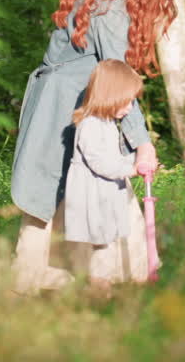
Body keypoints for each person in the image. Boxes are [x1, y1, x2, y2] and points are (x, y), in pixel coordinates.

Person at [10, 0, 185, 294]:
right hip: (64, 104)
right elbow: (116, 79)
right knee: (50, 188)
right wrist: (142, 143)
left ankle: (96, 273)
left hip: (81, 100)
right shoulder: (110, 6)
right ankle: (31, 279)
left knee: (87, 185)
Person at [64, 60, 148, 292]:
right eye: (127, 101)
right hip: (94, 197)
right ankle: (100, 292)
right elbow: (101, 162)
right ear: (109, 96)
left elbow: (113, 157)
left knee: (107, 244)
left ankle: (106, 285)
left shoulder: (107, 122)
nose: (131, 108)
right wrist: (130, 169)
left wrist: (135, 162)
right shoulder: (90, 125)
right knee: (100, 246)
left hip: (105, 194)